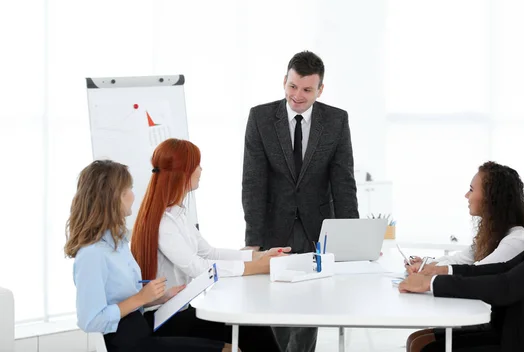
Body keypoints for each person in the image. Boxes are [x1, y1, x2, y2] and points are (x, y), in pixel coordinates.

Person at [400, 131, 524, 352]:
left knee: (428, 348)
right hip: (516, 331)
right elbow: (507, 269)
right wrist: (441, 272)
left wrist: (431, 283)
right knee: (423, 342)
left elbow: (508, 286)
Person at [241, 50, 359, 352]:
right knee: (276, 310)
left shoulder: (335, 120)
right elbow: (253, 182)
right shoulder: (261, 117)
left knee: (309, 310)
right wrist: (253, 240)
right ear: (284, 81)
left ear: (320, 90)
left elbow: (343, 182)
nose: (298, 95)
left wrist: (351, 241)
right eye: (292, 86)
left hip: (316, 229)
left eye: (307, 89)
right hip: (272, 227)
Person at [130, 138, 287, 352]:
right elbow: (197, 268)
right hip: (166, 318)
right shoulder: (163, 223)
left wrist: (257, 257)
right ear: (183, 172)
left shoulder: (177, 214)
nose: (201, 170)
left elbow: (209, 252)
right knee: (252, 330)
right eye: (197, 165)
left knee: (253, 328)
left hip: (179, 310)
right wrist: (253, 268)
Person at [65, 160, 226, 352]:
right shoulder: (92, 255)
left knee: (228, 331)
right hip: (127, 342)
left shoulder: (118, 243)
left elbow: (121, 299)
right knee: (225, 349)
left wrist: (158, 298)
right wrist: (141, 298)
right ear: (114, 197)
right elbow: (91, 320)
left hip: (141, 329)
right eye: (129, 189)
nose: (134, 195)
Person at [404, 161, 524, 352]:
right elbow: (459, 260)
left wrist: (428, 278)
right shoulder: (494, 233)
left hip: (503, 328)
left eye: (472, 190)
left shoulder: (516, 240)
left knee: (424, 346)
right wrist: (425, 265)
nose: (467, 195)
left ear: (492, 197)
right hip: (490, 319)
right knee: (417, 339)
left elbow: (477, 273)